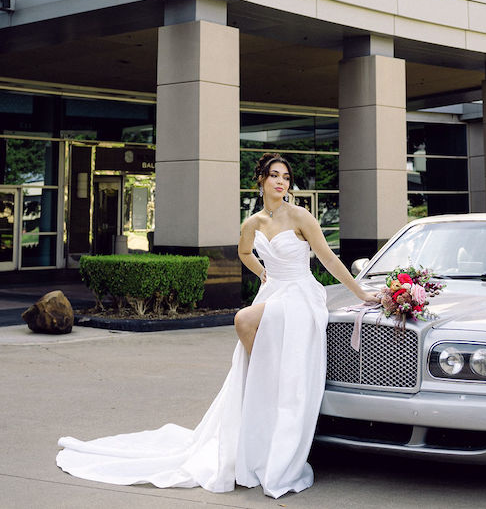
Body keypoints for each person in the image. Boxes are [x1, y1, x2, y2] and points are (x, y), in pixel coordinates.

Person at [56, 152, 379, 499]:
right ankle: (265, 379)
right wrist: (262, 274)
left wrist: (360, 291)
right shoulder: (252, 224)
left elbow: (328, 257)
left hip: (301, 295)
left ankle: (270, 384)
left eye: (286, 176)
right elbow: (244, 254)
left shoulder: (300, 216)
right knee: (247, 323)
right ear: (261, 180)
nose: (281, 182)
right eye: (274, 175)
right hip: (274, 292)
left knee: (242, 318)